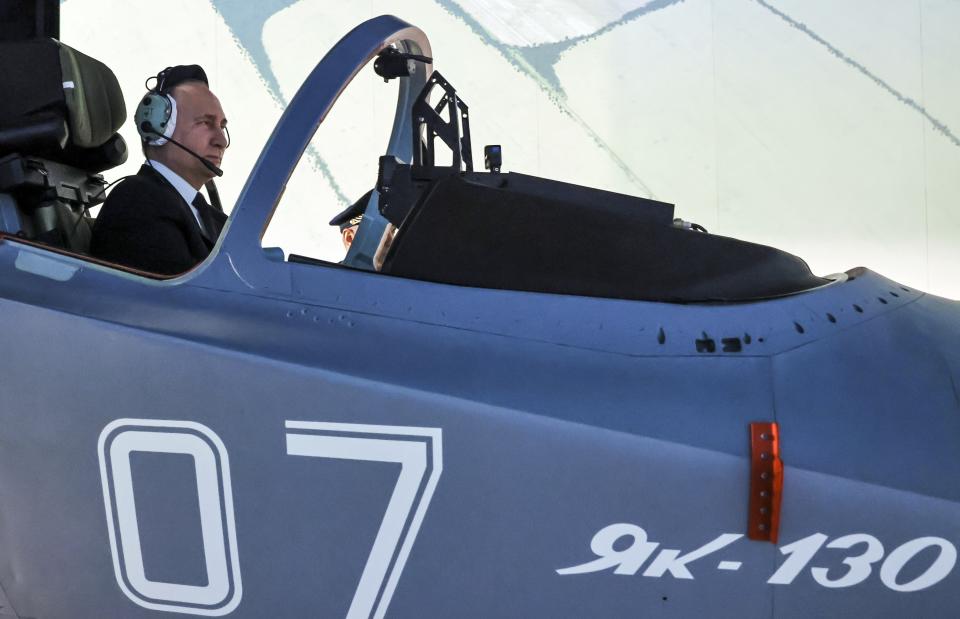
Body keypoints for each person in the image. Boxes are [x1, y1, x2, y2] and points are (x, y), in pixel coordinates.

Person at [90, 65, 229, 275]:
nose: (221, 140)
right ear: (158, 126)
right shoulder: (136, 202)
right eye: (205, 123)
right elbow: (182, 298)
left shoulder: (210, 216)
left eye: (222, 126)